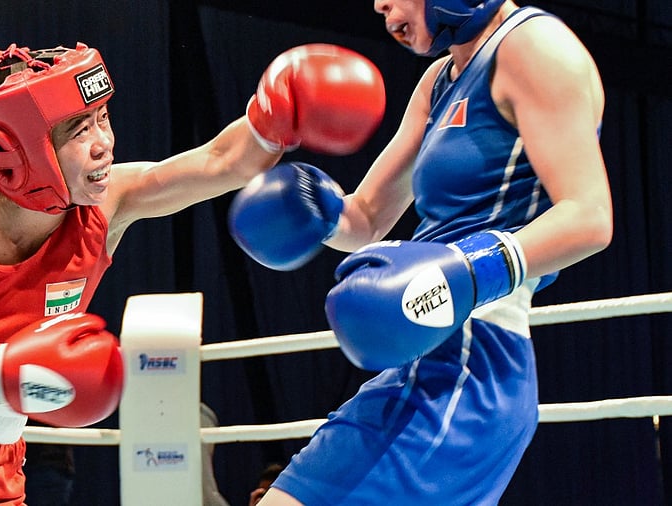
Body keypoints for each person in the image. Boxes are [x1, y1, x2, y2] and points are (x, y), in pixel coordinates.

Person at [0, 40, 385, 505]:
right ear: (16, 149)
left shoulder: (108, 205)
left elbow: (217, 161)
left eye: (103, 119)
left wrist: (273, 117)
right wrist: (3, 372)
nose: (105, 144)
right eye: (81, 130)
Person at [229, 0, 613, 504]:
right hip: (416, 355)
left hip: (473, 369)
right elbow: (367, 218)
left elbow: (590, 216)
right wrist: (315, 210)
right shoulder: (439, 81)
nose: (379, 5)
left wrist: (466, 271)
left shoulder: (533, 46)